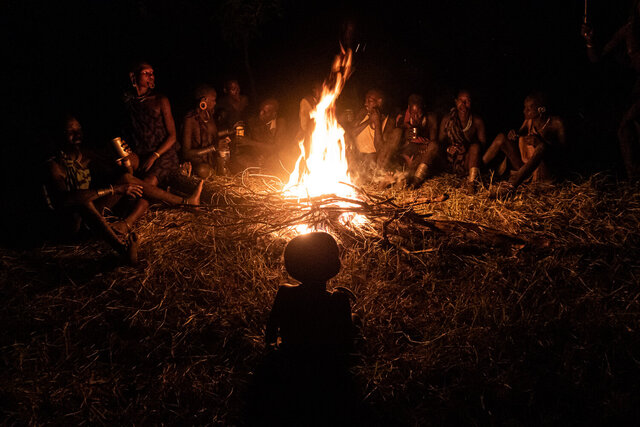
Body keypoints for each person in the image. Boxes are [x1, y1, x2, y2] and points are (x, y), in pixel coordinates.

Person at [45, 115, 203, 264]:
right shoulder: (55, 165)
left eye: (78, 130)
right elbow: (66, 200)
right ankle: (123, 249)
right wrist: (113, 190)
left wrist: (127, 163)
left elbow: (126, 174)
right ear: (59, 135)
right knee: (84, 202)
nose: (77, 135)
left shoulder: (86, 154)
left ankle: (186, 202)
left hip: (90, 217)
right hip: (70, 225)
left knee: (133, 184)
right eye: (70, 132)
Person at [582, 1, 640, 179]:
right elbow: (597, 57)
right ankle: (634, 182)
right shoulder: (629, 29)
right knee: (626, 128)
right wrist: (589, 41)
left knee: (626, 127)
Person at [483, 93, 566, 196]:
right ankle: (476, 170)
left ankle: (511, 186)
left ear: (541, 110)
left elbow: (564, 154)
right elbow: (520, 134)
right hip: (527, 170)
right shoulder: (529, 121)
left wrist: (540, 143)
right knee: (501, 138)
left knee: (542, 147)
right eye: (524, 107)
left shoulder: (556, 123)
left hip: (545, 173)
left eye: (528, 109)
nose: (524, 111)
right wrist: (514, 134)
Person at [122, 61, 180, 187]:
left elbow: (172, 136)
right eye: (146, 73)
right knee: (123, 173)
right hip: (141, 153)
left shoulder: (160, 100)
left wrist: (154, 156)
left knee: (146, 184)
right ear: (133, 76)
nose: (151, 76)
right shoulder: (129, 101)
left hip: (163, 154)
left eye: (152, 73)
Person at [346, 88, 402, 180]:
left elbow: (381, 149)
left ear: (379, 102)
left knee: (397, 132)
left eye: (370, 101)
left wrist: (377, 124)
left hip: (373, 161)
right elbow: (350, 134)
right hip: (357, 158)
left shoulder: (389, 121)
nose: (365, 103)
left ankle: (378, 176)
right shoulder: (363, 112)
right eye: (365, 100)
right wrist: (368, 121)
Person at [438, 89, 486, 186]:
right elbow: (440, 143)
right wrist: (448, 149)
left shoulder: (477, 121)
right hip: (450, 161)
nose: (463, 104)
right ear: (456, 102)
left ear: (471, 103)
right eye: (461, 101)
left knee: (475, 147)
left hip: (468, 161)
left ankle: (471, 183)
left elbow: (483, 147)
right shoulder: (447, 119)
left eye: (467, 101)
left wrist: (466, 148)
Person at [181, 85, 229, 178]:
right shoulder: (190, 118)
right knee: (203, 169)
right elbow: (186, 153)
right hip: (197, 161)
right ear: (204, 100)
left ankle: (216, 173)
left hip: (210, 158)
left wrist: (229, 132)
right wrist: (214, 147)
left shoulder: (208, 114)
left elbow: (213, 135)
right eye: (213, 100)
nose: (215, 103)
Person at [231, 98, 287, 174]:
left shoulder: (280, 123)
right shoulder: (254, 122)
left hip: (275, 159)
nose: (261, 113)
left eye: (265, 112)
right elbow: (244, 143)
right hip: (258, 158)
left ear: (274, 114)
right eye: (260, 110)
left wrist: (250, 142)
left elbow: (277, 147)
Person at [395, 94, 440, 187]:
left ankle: (417, 179)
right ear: (409, 109)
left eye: (419, 113)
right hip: (407, 153)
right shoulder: (402, 118)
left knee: (433, 147)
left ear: (423, 109)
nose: (416, 116)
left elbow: (433, 141)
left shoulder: (430, 118)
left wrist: (421, 135)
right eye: (413, 113)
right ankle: (404, 177)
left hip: (423, 153)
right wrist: (406, 135)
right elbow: (396, 143)